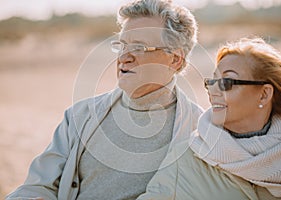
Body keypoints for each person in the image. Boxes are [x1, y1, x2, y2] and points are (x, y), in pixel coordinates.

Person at [6, 0, 203, 199]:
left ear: (175, 59)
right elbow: (37, 186)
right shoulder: (79, 116)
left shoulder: (200, 131)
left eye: (139, 47)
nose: (124, 57)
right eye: (122, 45)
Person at [137, 37, 281, 200]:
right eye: (212, 81)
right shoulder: (185, 158)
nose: (213, 91)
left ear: (264, 94)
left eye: (226, 82)